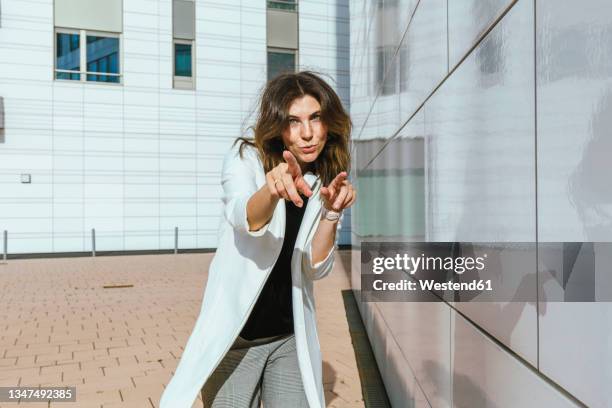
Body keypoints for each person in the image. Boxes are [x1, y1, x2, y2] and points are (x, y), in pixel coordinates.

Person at [159, 71, 356, 408]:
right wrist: (272, 190)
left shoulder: (323, 177)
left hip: (289, 338)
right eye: (294, 121)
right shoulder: (245, 158)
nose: (307, 133)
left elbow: (315, 268)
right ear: (278, 125)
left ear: (329, 123)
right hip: (237, 338)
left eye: (315, 118)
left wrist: (331, 213)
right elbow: (243, 216)